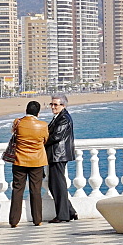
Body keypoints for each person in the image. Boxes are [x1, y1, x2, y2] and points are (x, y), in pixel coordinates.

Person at [8, 100, 49, 228]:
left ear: (26, 110)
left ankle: (14, 221)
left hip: (19, 160)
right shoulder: (42, 125)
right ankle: (37, 219)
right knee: (35, 190)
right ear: (38, 112)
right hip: (36, 161)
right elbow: (45, 140)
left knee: (17, 190)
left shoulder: (18, 122)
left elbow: (13, 133)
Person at [45, 94, 77, 223]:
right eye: (51, 104)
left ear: (63, 105)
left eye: (55, 104)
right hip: (56, 155)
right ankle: (69, 211)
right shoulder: (58, 117)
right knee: (56, 185)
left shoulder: (64, 118)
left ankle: (63, 215)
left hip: (58, 155)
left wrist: (41, 141)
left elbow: (56, 136)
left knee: (58, 185)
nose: (52, 107)